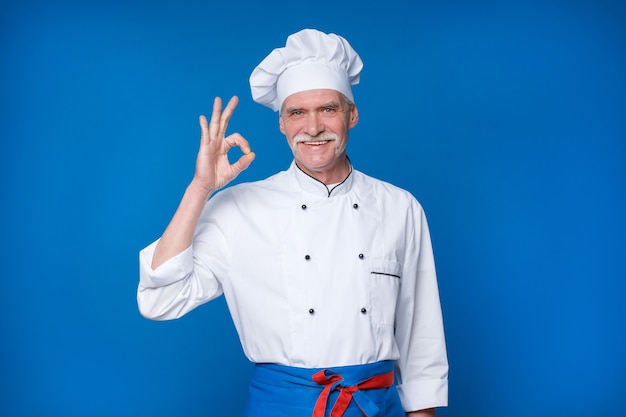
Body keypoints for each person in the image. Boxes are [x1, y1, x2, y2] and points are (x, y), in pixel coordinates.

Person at [138, 29, 448, 417]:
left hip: (375, 406)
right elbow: (160, 299)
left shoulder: (400, 207)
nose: (313, 127)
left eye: (328, 109)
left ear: (352, 113)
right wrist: (200, 189)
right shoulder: (239, 207)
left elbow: (422, 336)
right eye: (297, 112)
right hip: (282, 407)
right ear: (282, 123)